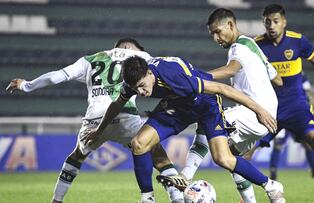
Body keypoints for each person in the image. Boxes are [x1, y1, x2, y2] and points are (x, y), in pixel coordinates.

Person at [82, 55, 286, 203]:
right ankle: (147, 198)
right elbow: (116, 104)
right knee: (138, 144)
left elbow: (223, 89)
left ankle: (270, 185)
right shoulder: (133, 80)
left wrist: (259, 110)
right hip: (177, 106)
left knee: (223, 158)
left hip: (205, 105)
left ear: (149, 73)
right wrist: (99, 131)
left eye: (143, 86)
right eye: (137, 90)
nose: (141, 92)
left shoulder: (174, 77)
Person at [6, 38, 184, 203]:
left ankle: (56, 200)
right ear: (128, 47)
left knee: (76, 156)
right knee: (158, 155)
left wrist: (26, 85)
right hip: (125, 115)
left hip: (94, 120)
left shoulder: (89, 60)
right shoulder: (139, 57)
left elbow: (54, 77)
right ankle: (176, 199)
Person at [166, 7, 283, 203]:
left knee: (208, 119)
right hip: (264, 113)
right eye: (212, 34)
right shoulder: (253, 47)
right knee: (232, 158)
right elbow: (278, 79)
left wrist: (194, 79)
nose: (215, 38)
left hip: (255, 112)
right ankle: (268, 197)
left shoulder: (239, 46)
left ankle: (186, 175)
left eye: (217, 31)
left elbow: (230, 70)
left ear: (230, 25)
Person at [253, 4, 314, 203]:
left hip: (297, 106)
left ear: (284, 22)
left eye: (275, 21)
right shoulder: (256, 45)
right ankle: (245, 196)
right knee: (247, 150)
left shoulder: (298, 41)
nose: (271, 25)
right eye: (267, 21)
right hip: (269, 108)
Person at [264, 72, 314, 181]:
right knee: (278, 144)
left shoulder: (300, 74)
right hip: (281, 112)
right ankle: (273, 174)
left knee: (307, 143)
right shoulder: (275, 72)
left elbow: (308, 89)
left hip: (297, 114)